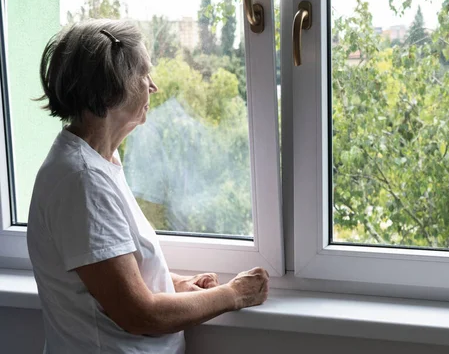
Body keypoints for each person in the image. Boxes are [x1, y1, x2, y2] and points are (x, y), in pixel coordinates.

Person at [26, 19, 269, 354]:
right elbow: (139, 314)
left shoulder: (101, 163)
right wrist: (235, 294)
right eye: (144, 75)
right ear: (114, 88)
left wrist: (177, 283)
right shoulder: (81, 182)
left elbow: (118, 273)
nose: (152, 87)